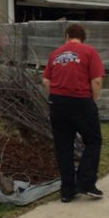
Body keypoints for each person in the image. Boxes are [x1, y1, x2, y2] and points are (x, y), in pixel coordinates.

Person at [42, 23, 105, 203]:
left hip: (57, 102)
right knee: (93, 140)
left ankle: (67, 191)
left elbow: (46, 81)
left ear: (67, 36)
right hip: (81, 101)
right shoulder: (89, 52)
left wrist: (56, 96)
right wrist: (92, 100)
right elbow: (97, 81)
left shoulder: (55, 54)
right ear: (82, 37)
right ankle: (86, 183)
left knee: (64, 146)